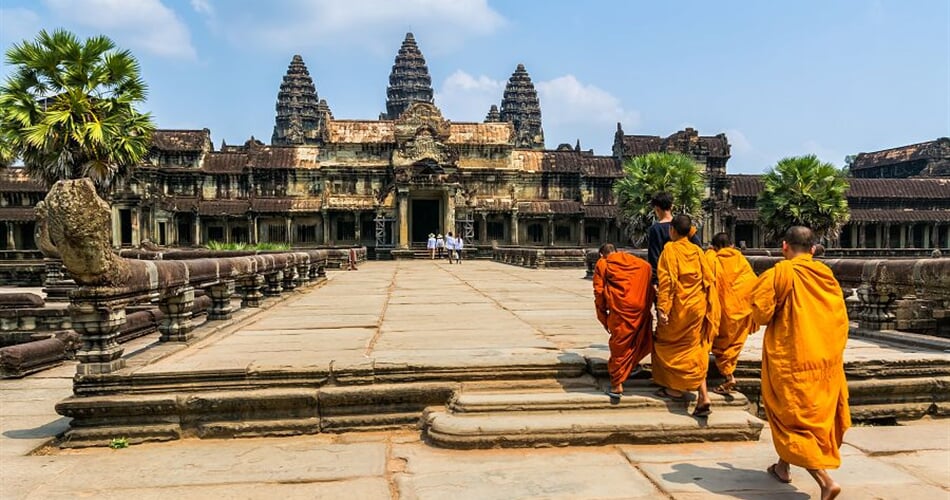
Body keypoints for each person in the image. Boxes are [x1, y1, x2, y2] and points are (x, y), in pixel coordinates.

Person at [749, 226, 849, 500]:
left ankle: (825, 480)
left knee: (791, 420)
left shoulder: (780, 273)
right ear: (813, 249)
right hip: (823, 360)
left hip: (791, 360)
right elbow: (840, 319)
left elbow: (761, 314)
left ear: (784, 247)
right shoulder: (826, 276)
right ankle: (783, 467)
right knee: (804, 417)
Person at [652, 214, 720, 417]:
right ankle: (703, 395)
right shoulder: (698, 252)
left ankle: (675, 387)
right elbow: (709, 280)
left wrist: (663, 308)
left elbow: (668, 282)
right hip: (697, 306)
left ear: (672, 230)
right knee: (695, 348)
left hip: (678, 309)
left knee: (668, 345)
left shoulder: (670, 250)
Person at [592, 243, 654, 400]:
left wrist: (602, 315)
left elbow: (599, 291)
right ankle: (630, 366)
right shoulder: (637, 262)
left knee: (619, 345)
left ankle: (617, 385)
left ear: (601, 255)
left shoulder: (603, 263)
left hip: (620, 309)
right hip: (639, 308)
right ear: (617, 251)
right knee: (637, 340)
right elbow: (648, 269)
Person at [707, 232, 758, 395]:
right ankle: (728, 375)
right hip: (741, 310)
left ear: (714, 247)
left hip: (723, 312)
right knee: (733, 344)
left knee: (720, 344)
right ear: (732, 245)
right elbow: (751, 282)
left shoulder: (712, 259)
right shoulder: (741, 260)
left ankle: (729, 376)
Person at [647, 192, 701, 283]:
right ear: (672, 206)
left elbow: (654, 257)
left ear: (656, 209)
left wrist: (655, 280)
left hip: (667, 275)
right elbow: (698, 248)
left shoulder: (655, 229)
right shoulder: (684, 224)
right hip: (689, 274)